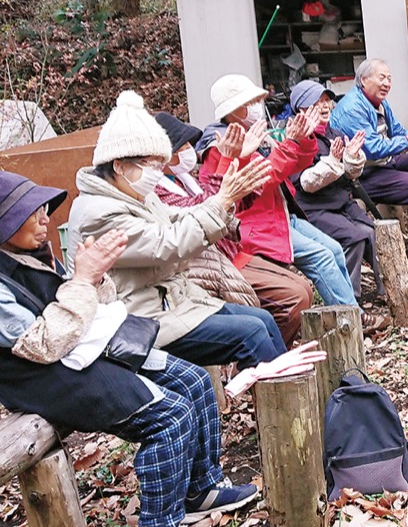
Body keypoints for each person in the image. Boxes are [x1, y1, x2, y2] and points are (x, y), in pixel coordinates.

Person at [0, 171, 262, 527]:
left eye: (42, 207)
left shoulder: (33, 252)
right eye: (29, 212)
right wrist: (84, 279)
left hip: (83, 348)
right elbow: (42, 344)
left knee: (193, 381)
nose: (44, 217)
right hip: (42, 377)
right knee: (169, 416)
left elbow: (85, 306)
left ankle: (201, 487)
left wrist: (96, 278)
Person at [67, 91, 286, 371]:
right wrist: (221, 201)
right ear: (119, 165)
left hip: (173, 301)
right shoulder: (98, 213)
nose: (158, 172)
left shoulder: (134, 195)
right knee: (252, 333)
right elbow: (166, 244)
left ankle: (291, 395)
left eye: (160, 164)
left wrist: (225, 202)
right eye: (150, 164)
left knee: (262, 319)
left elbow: (181, 215)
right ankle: (287, 410)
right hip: (138, 319)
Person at [198, 74, 360, 311]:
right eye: (249, 103)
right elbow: (263, 178)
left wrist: (304, 139)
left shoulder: (253, 132)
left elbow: (294, 167)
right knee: (322, 258)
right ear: (233, 110)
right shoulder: (221, 144)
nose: (256, 108)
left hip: (280, 214)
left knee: (334, 249)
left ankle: (352, 309)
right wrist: (291, 143)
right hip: (255, 225)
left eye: (256, 101)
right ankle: (351, 317)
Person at [154, 111, 313, 344]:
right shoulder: (208, 156)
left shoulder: (184, 177)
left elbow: (240, 196)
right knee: (295, 296)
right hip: (209, 263)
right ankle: (263, 361)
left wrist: (245, 158)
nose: (191, 149)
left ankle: (274, 353)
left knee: (304, 288)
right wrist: (231, 159)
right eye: (184, 144)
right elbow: (207, 210)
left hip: (229, 250)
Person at [288, 81, 382, 303]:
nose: (324, 107)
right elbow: (306, 183)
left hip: (341, 202)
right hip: (314, 208)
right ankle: (350, 299)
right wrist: (332, 161)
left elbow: (350, 175)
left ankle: (387, 287)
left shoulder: (334, 133)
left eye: (326, 101)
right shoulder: (296, 139)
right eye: (316, 102)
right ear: (301, 109)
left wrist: (352, 157)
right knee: (354, 238)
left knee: (371, 231)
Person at [328, 59, 408, 240]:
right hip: (363, 174)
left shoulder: (380, 102)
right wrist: (407, 140)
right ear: (363, 81)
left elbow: (397, 132)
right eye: (382, 78)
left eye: (389, 79)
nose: (387, 83)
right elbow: (373, 149)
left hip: (385, 162)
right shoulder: (352, 108)